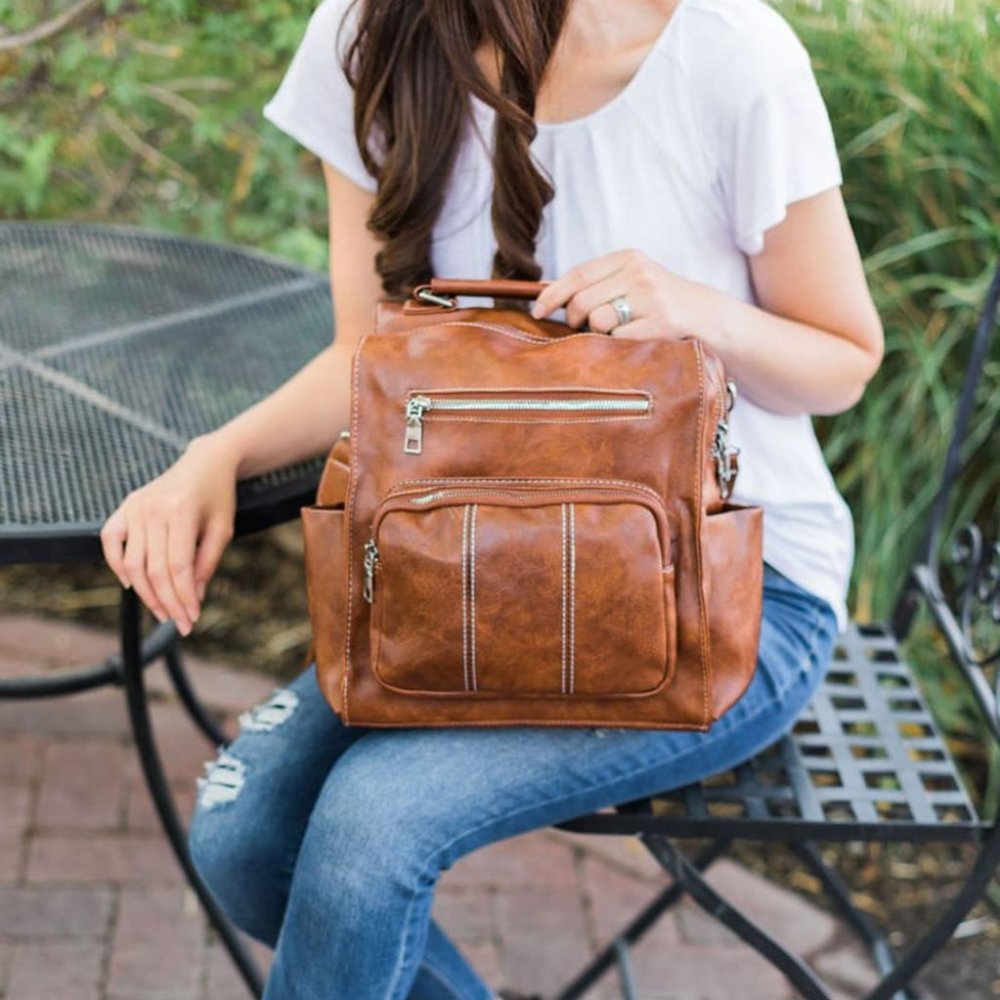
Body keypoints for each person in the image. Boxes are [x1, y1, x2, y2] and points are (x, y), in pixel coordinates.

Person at [100, 0, 884, 996]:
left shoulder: (727, 52)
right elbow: (365, 356)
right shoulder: (372, 32)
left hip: (729, 595)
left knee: (370, 828)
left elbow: (844, 361)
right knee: (242, 834)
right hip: (463, 569)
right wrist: (215, 455)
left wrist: (693, 310)